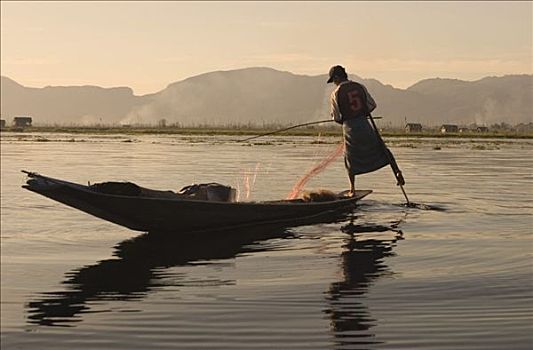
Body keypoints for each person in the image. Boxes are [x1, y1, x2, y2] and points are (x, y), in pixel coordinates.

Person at [327, 65, 404, 196]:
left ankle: (352, 189)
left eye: (333, 80)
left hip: (350, 129)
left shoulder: (336, 93)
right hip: (365, 124)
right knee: (382, 149)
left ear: (337, 78)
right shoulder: (359, 87)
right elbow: (372, 105)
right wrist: (361, 113)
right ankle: (397, 172)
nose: (334, 83)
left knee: (349, 158)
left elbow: (337, 117)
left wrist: (343, 119)